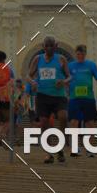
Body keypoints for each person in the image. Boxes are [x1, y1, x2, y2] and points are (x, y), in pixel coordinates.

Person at [29, 36, 70, 164]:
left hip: (59, 96)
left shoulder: (61, 59)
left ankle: (60, 147)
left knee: (63, 117)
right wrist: (33, 82)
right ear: (43, 46)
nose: (49, 48)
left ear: (56, 46)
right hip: (42, 95)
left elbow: (70, 76)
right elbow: (28, 75)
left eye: (51, 45)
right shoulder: (37, 59)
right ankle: (48, 153)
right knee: (44, 123)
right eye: (47, 46)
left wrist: (63, 81)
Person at [67, 45, 97, 157]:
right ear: (75, 54)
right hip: (74, 98)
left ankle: (90, 149)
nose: (80, 56)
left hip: (88, 98)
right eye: (78, 54)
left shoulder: (91, 65)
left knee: (90, 123)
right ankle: (75, 148)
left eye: (82, 54)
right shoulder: (70, 65)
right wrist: (66, 93)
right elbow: (65, 79)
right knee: (74, 122)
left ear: (85, 54)